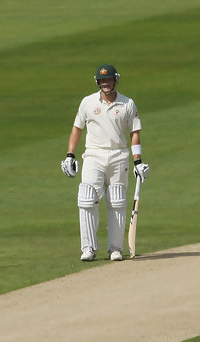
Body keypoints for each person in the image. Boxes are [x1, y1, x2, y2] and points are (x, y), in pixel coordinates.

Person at [61, 64, 149, 262]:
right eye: (102, 81)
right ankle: (88, 248)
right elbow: (77, 128)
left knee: (117, 200)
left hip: (118, 155)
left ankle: (115, 248)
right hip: (93, 155)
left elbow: (134, 133)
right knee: (86, 198)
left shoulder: (127, 104)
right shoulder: (87, 102)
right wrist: (70, 155)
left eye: (108, 80)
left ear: (115, 80)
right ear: (97, 82)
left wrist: (138, 162)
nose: (105, 83)